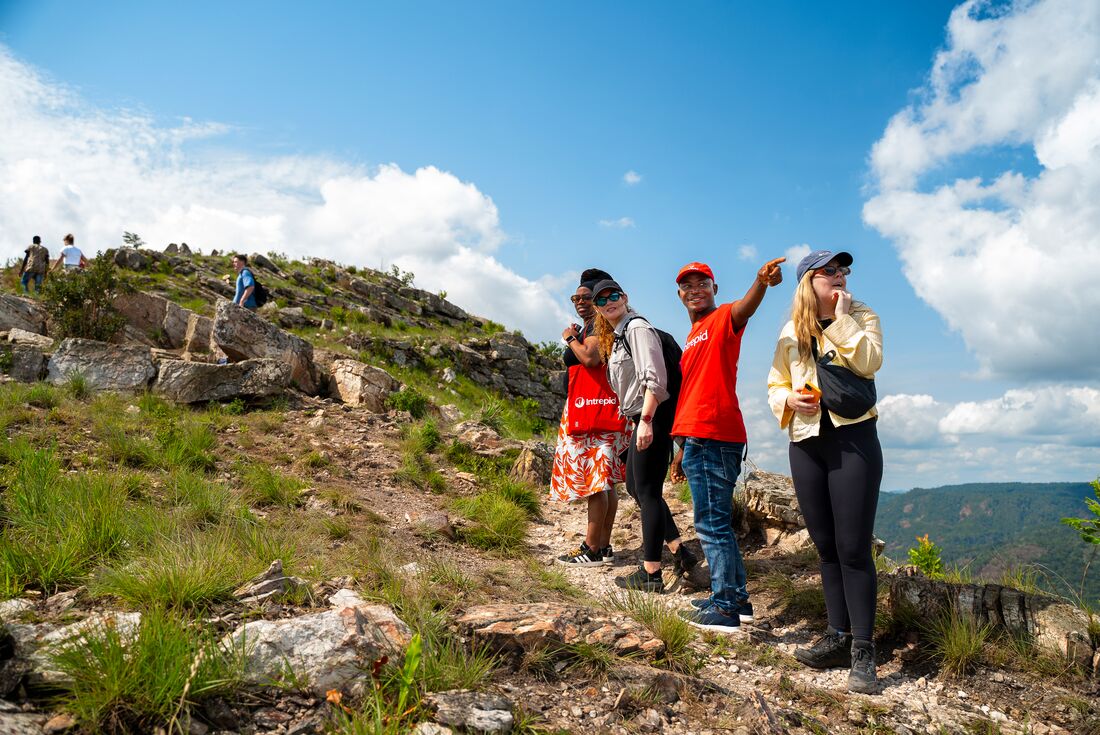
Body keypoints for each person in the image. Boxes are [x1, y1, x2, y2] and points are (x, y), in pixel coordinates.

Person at [766, 249, 883, 693]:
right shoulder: (789, 332)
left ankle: (863, 651)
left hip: (854, 439)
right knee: (827, 546)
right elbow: (775, 382)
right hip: (806, 442)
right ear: (808, 282)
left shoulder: (862, 315)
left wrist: (840, 320)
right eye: (829, 271)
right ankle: (837, 636)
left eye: (843, 269)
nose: (840, 276)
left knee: (853, 547)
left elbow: (869, 362)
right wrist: (788, 400)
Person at [670, 258, 784, 633]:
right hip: (697, 436)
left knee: (711, 525)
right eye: (687, 285)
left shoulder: (722, 319)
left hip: (715, 434)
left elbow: (744, 308)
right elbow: (692, 393)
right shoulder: (693, 334)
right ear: (679, 294)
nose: (695, 290)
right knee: (716, 523)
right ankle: (736, 600)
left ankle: (724, 608)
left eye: (702, 283)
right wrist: (681, 448)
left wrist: (760, 282)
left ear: (714, 289)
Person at [591, 278, 697, 592]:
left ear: (624, 297)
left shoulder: (636, 328)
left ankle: (651, 572)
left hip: (653, 415)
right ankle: (680, 551)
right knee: (636, 487)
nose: (608, 302)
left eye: (613, 295)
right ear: (598, 308)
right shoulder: (619, 335)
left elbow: (655, 380)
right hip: (642, 417)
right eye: (601, 300)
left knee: (648, 491)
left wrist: (647, 421)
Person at [550, 269, 631, 566]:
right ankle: (603, 545)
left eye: (587, 297)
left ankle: (591, 548)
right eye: (576, 298)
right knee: (605, 482)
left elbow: (589, 358)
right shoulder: (596, 325)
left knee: (597, 483)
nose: (581, 302)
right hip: (597, 409)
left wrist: (570, 337)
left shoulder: (598, 324)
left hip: (595, 412)